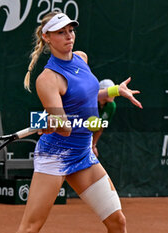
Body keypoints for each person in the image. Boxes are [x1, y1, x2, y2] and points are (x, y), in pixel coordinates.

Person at [18, 11, 142, 233]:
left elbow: (87, 95)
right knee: (31, 227)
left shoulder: (81, 58)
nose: (69, 36)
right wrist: (52, 122)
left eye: (71, 31)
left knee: (118, 222)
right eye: (61, 32)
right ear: (47, 37)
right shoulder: (47, 79)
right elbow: (64, 128)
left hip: (83, 154)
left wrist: (115, 91)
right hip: (55, 157)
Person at [92, 79, 117, 157]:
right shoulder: (89, 102)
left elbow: (100, 128)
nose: (114, 94)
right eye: (111, 91)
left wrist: (93, 145)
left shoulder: (112, 106)